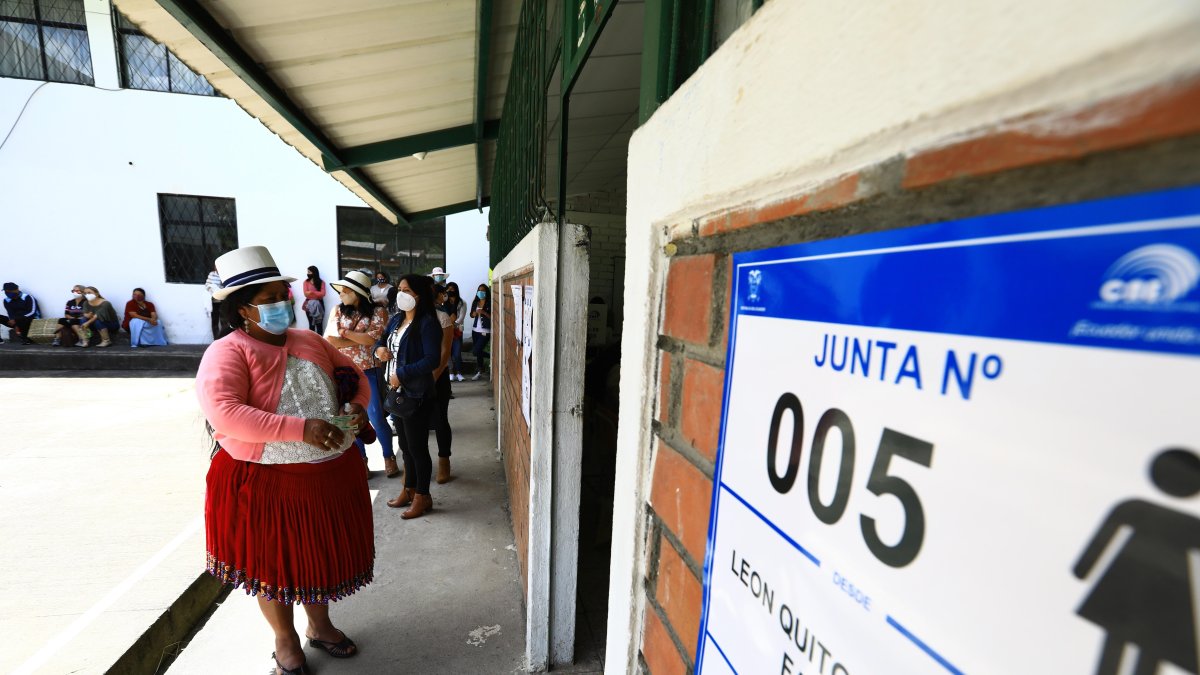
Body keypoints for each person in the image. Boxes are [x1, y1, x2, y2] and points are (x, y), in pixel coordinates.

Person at [194, 245, 373, 675]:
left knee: (316, 558)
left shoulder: (309, 341)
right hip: (265, 482)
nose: (282, 304)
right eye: (269, 299)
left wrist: (359, 406)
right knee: (272, 566)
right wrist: (301, 428)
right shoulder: (227, 352)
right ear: (242, 310)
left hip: (326, 476)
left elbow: (355, 376)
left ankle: (320, 626)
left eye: (283, 295)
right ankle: (285, 640)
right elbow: (225, 412)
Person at [1073, 447, 1200, 675]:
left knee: (1127, 637)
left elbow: (1103, 539)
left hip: (1142, 584)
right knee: (1144, 642)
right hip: (1165, 589)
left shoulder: (1138, 508)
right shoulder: (1187, 524)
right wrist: (1082, 569)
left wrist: (1083, 569)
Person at [376, 274, 442, 518]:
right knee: (404, 446)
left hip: (416, 394)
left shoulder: (427, 323)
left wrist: (402, 373)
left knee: (417, 448)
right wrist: (379, 349)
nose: (401, 293)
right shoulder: (396, 320)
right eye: (399, 288)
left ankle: (423, 496)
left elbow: (431, 360)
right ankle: (409, 489)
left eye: (406, 289)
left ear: (419, 294)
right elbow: (381, 342)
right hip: (397, 394)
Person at [324, 271, 397, 478]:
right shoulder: (337, 311)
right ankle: (361, 461)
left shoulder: (378, 311)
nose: (341, 295)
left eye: (345, 291)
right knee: (350, 418)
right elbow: (331, 340)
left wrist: (345, 334)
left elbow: (373, 339)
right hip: (343, 373)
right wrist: (357, 337)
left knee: (375, 415)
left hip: (369, 370)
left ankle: (388, 457)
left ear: (356, 292)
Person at [431, 284, 455, 483]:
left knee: (439, 420)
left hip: (437, 379)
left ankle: (444, 461)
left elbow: (444, 354)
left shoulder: (442, 318)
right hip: (413, 378)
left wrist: (432, 377)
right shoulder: (405, 318)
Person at [443, 282, 467, 381]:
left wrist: (454, 324)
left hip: (457, 331)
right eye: (448, 289)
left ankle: (459, 373)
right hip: (446, 331)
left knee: (457, 353)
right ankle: (451, 372)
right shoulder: (443, 302)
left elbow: (461, 317)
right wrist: (449, 324)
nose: (451, 291)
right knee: (447, 353)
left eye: (453, 289)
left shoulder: (462, 303)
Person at [469, 283, 492, 380]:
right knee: (478, 353)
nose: (480, 292)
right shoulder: (475, 302)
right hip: (475, 330)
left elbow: (493, 317)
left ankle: (491, 356)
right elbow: (471, 315)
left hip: (485, 330)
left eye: (483, 291)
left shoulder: (490, 302)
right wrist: (473, 314)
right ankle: (480, 371)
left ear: (486, 292)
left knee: (476, 351)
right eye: (479, 290)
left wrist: (483, 312)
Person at [302, 266, 326, 333]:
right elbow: (305, 294)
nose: (308, 273)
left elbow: (323, 294)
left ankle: (320, 342)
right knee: (311, 325)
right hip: (309, 305)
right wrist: (317, 294)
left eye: (309, 272)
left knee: (319, 325)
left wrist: (312, 292)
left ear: (314, 272)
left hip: (320, 304)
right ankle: (311, 341)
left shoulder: (321, 282)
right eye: (307, 272)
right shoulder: (306, 282)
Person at [205, 266, 224, 341]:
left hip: (223, 301)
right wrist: (213, 290)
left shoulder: (224, 275)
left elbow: (226, 287)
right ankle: (216, 340)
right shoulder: (211, 274)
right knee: (215, 322)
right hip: (213, 302)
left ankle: (224, 339)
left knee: (224, 321)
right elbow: (207, 285)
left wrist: (219, 290)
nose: (218, 268)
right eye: (216, 267)